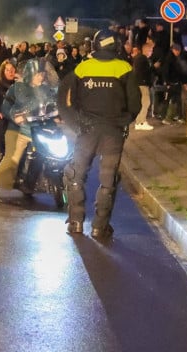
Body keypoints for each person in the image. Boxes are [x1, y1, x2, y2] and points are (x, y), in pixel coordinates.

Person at [57, 30, 140, 238]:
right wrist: (123, 121)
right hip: (113, 132)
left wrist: (77, 123)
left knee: (75, 174)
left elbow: (66, 100)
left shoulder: (83, 68)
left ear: (95, 45)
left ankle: (75, 222)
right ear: (116, 45)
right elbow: (135, 103)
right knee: (108, 179)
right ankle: (99, 227)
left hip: (87, 131)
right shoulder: (124, 68)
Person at [0, 58, 59, 202]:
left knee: (46, 155)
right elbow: (6, 106)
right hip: (17, 130)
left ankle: (30, 184)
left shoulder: (45, 90)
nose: (41, 77)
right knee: (12, 158)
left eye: (42, 74)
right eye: (38, 74)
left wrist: (58, 116)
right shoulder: (17, 88)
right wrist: (14, 115)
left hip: (38, 129)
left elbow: (53, 104)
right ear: (31, 74)